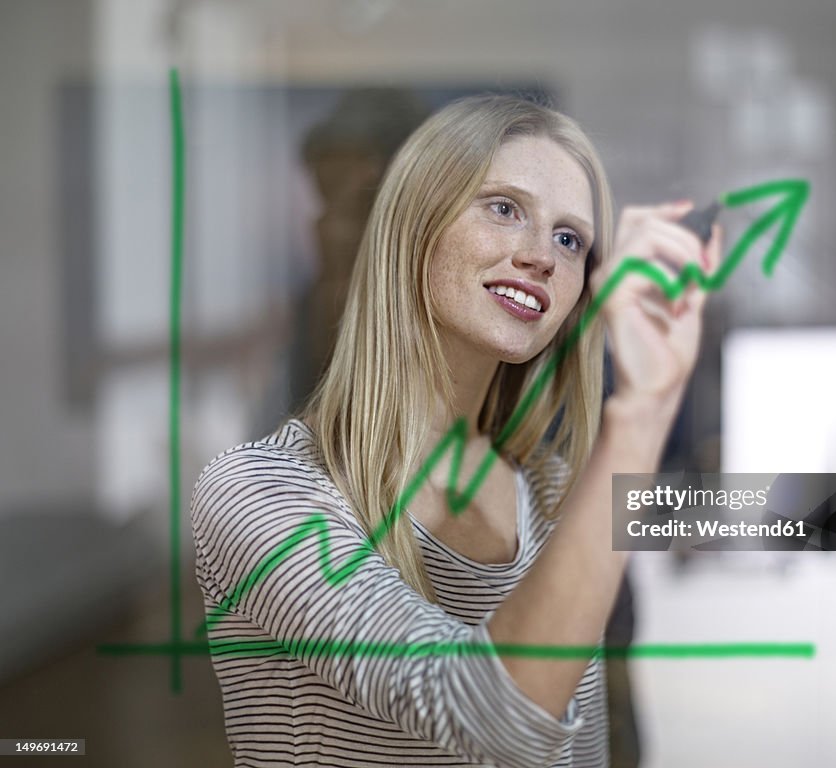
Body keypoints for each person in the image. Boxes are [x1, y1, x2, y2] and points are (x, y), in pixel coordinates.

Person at [190, 94, 720, 767]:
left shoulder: (555, 490)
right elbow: (492, 721)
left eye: (569, 239)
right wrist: (641, 412)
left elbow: (834, 514)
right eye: (504, 208)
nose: (541, 257)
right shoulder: (261, 494)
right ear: (412, 222)